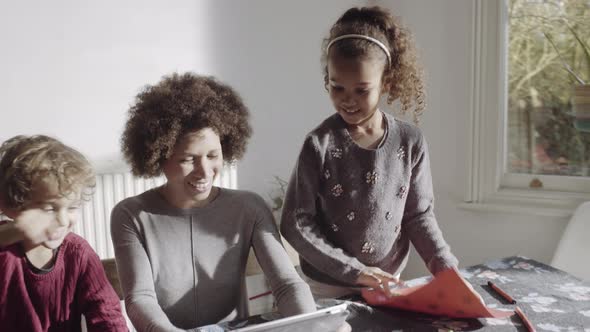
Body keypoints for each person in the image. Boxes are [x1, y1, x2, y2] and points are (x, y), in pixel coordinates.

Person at [111, 72, 317, 332]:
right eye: (188, 159)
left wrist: (313, 325)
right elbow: (140, 299)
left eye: (213, 155)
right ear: (159, 157)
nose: (205, 171)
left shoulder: (249, 207)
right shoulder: (131, 215)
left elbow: (287, 284)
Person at [280, 6, 459, 300]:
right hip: (328, 285)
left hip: (387, 281)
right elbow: (296, 222)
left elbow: (418, 215)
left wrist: (445, 267)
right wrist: (355, 272)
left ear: (386, 82)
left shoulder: (410, 141)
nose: (347, 101)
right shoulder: (319, 143)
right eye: (337, 88)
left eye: (361, 90)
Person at [0, 135, 128, 331]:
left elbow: (107, 315)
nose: (62, 220)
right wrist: (16, 230)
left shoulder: (78, 252)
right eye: (49, 209)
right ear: (11, 206)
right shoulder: (5, 252)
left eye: (72, 207)